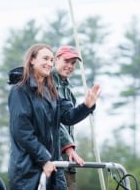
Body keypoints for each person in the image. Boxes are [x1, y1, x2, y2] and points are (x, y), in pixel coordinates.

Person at [7, 43, 101, 190]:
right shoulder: (19, 91)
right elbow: (22, 132)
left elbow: (69, 117)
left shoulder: (52, 92)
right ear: (32, 60)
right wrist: (44, 159)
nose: (49, 63)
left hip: (54, 168)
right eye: (45, 58)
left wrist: (87, 106)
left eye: (51, 60)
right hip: (28, 171)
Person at [53, 45, 84, 190]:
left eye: (73, 63)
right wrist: (68, 147)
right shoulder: (46, 84)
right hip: (51, 160)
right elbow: (52, 121)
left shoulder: (69, 92)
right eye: (66, 61)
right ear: (56, 59)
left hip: (67, 161)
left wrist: (88, 106)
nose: (70, 66)